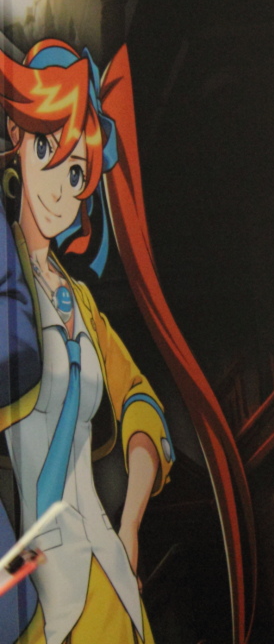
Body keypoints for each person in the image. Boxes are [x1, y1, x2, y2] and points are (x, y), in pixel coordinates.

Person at [1, 40, 174, 644]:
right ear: (16, 140)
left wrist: (130, 523)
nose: (61, 188)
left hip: (108, 562)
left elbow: (141, 400)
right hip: (31, 578)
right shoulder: (6, 289)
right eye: (46, 151)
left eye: (76, 171)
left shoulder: (84, 304)